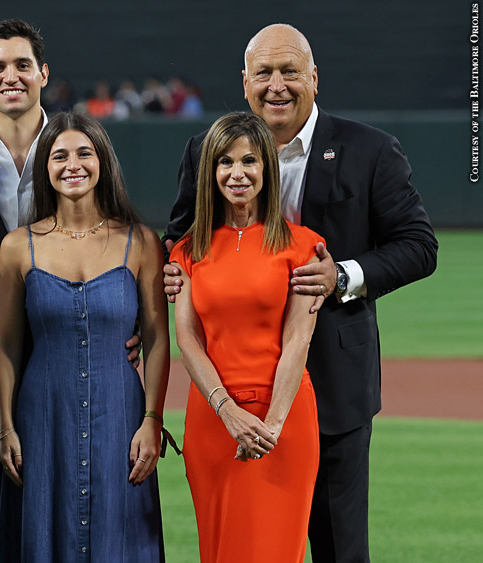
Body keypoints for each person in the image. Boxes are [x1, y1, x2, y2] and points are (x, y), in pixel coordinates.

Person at [162, 24, 438, 562]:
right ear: (245, 83)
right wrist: (169, 270)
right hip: (229, 395)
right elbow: (181, 235)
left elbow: (419, 246)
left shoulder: (370, 150)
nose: (277, 85)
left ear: (314, 78)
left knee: (338, 548)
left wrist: (343, 276)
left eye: (290, 71)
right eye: (264, 73)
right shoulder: (206, 150)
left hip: (332, 388)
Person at [0, 20, 143, 560]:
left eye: (22, 64)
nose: (11, 76)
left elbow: (118, 245)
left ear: (43, 73)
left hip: (76, 372)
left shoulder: (78, 152)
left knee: (75, 524)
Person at [0, 112, 169, 562]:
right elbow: (7, 345)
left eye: (84, 153)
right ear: (45, 169)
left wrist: (152, 419)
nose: (73, 165)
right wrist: (7, 428)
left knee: (121, 530)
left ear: (103, 162)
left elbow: (157, 340)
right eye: (60, 156)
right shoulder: (17, 246)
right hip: (42, 416)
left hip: (121, 416)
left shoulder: (142, 242)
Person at [171, 112, 322, 562]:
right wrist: (228, 412)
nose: (237, 173)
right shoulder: (188, 249)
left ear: (267, 169)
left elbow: (298, 340)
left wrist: (270, 427)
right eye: (225, 162)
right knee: (220, 550)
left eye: (250, 160)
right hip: (212, 422)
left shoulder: (304, 246)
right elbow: (187, 340)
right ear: (210, 172)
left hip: (283, 422)